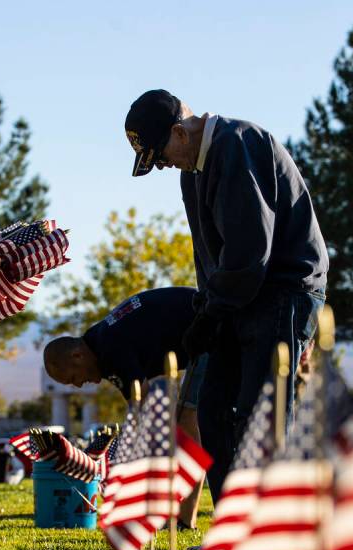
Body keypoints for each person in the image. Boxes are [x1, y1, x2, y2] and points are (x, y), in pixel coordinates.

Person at [124, 90, 328, 501]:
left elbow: (250, 252)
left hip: (283, 292)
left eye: (160, 156)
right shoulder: (192, 173)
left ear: (180, 133)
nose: (163, 166)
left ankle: (269, 535)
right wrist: (206, 310)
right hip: (238, 299)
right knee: (213, 412)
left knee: (260, 420)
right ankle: (233, 527)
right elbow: (209, 258)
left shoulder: (235, 145)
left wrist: (212, 315)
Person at [43, 287, 207, 528]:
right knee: (182, 425)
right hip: (199, 331)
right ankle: (179, 516)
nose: (78, 385)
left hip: (211, 328)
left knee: (187, 426)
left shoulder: (110, 350)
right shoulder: (101, 341)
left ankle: (184, 519)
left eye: (73, 378)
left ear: (77, 356)